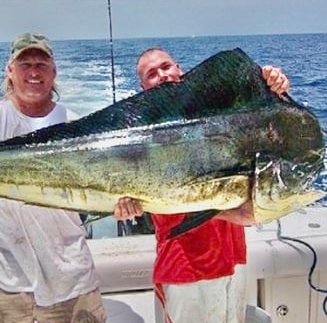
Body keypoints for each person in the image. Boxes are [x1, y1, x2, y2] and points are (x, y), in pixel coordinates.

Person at [114, 48, 290, 323]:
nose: (162, 75)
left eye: (166, 67)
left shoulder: (215, 112)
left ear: (180, 69)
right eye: (152, 74)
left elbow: (266, 126)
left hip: (233, 259)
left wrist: (270, 83)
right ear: (143, 87)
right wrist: (123, 206)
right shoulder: (141, 135)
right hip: (184, 270)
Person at [0, 33, 107, 323]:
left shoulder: (76, 126)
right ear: (10, 70)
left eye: (41, 64)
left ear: (54, 71)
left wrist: (122, 205)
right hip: (9, 286)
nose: (33, 72)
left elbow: (102, 187)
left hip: (72, 280)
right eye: (25, 64)